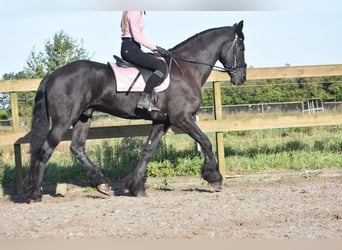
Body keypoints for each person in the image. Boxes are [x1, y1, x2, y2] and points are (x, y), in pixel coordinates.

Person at [120, 11, 168, 112]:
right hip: (130, 49)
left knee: (158, 60)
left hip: (134, 48)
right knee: (161, 67)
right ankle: (145, 98)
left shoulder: (136, 11)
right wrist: (154, 48)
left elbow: (141, 35)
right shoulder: (134, 12)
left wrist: (155, 51)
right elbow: (137, 37)